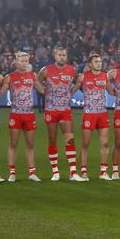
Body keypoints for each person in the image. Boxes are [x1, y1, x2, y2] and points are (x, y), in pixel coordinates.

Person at [38, 46, 85, 181]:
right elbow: (36, 82)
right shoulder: (46, 70)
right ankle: (55, 172)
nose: (62, 57)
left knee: (69, 139)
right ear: (55, 56)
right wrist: (43, 91)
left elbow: (79, 82)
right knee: (52, 139)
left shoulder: (72, 70)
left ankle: (73, 172)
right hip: (51, 110)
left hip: (65, 110)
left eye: (64, 55)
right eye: (60, 55)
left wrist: (73, 90)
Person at [0, 51, 46, 182]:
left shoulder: (32, 76)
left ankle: (32, 173)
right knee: (13, 143)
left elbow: (42, 90)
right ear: (16, 61)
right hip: (16, 114)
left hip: (29, 114)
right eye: (22, 61)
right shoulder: (10, 77)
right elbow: (1, 92)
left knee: (30, 144)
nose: (24, 63)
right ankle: (12, 173)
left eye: (26, 61)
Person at [70, 53, 113, 180]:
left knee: (105, 143)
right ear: (90, 64)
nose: (99, 63)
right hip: (89, 114)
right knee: (85, 144)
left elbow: (111, 91)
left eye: (100, 61)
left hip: (102, 114)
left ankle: (103, 172)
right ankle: (83, 172)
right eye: (96, 61)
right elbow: (73, 91)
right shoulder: (83, 77)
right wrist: (63, 93)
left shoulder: (105, 76)